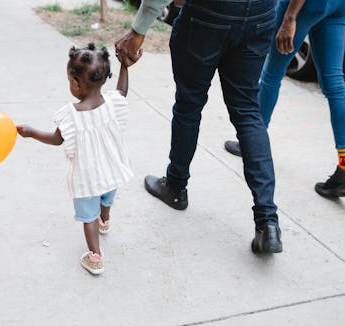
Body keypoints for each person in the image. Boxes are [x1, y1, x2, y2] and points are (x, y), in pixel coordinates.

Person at [115, 0, 283, 253]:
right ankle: (267, 222)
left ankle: (176, 186)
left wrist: (138, 29)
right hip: (261, 12)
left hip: (210, 13)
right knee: (248, 111)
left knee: (189, 105)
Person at [17, 43, 133, 274]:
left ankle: (95, 257)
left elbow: (56, 139)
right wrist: (124, 66)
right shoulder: (112, 103)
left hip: (87, 179)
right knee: (106, 199)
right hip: (111, 171)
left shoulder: (70, 116)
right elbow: (122, 90)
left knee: (87, 217)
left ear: (75, 83)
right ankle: (105, 221)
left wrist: (31, 133)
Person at [224, 0, 345, 198]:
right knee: (336, 84)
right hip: (342, 3)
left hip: (304, 5)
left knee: (272, 74)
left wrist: (290, 17)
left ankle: (251, 144)